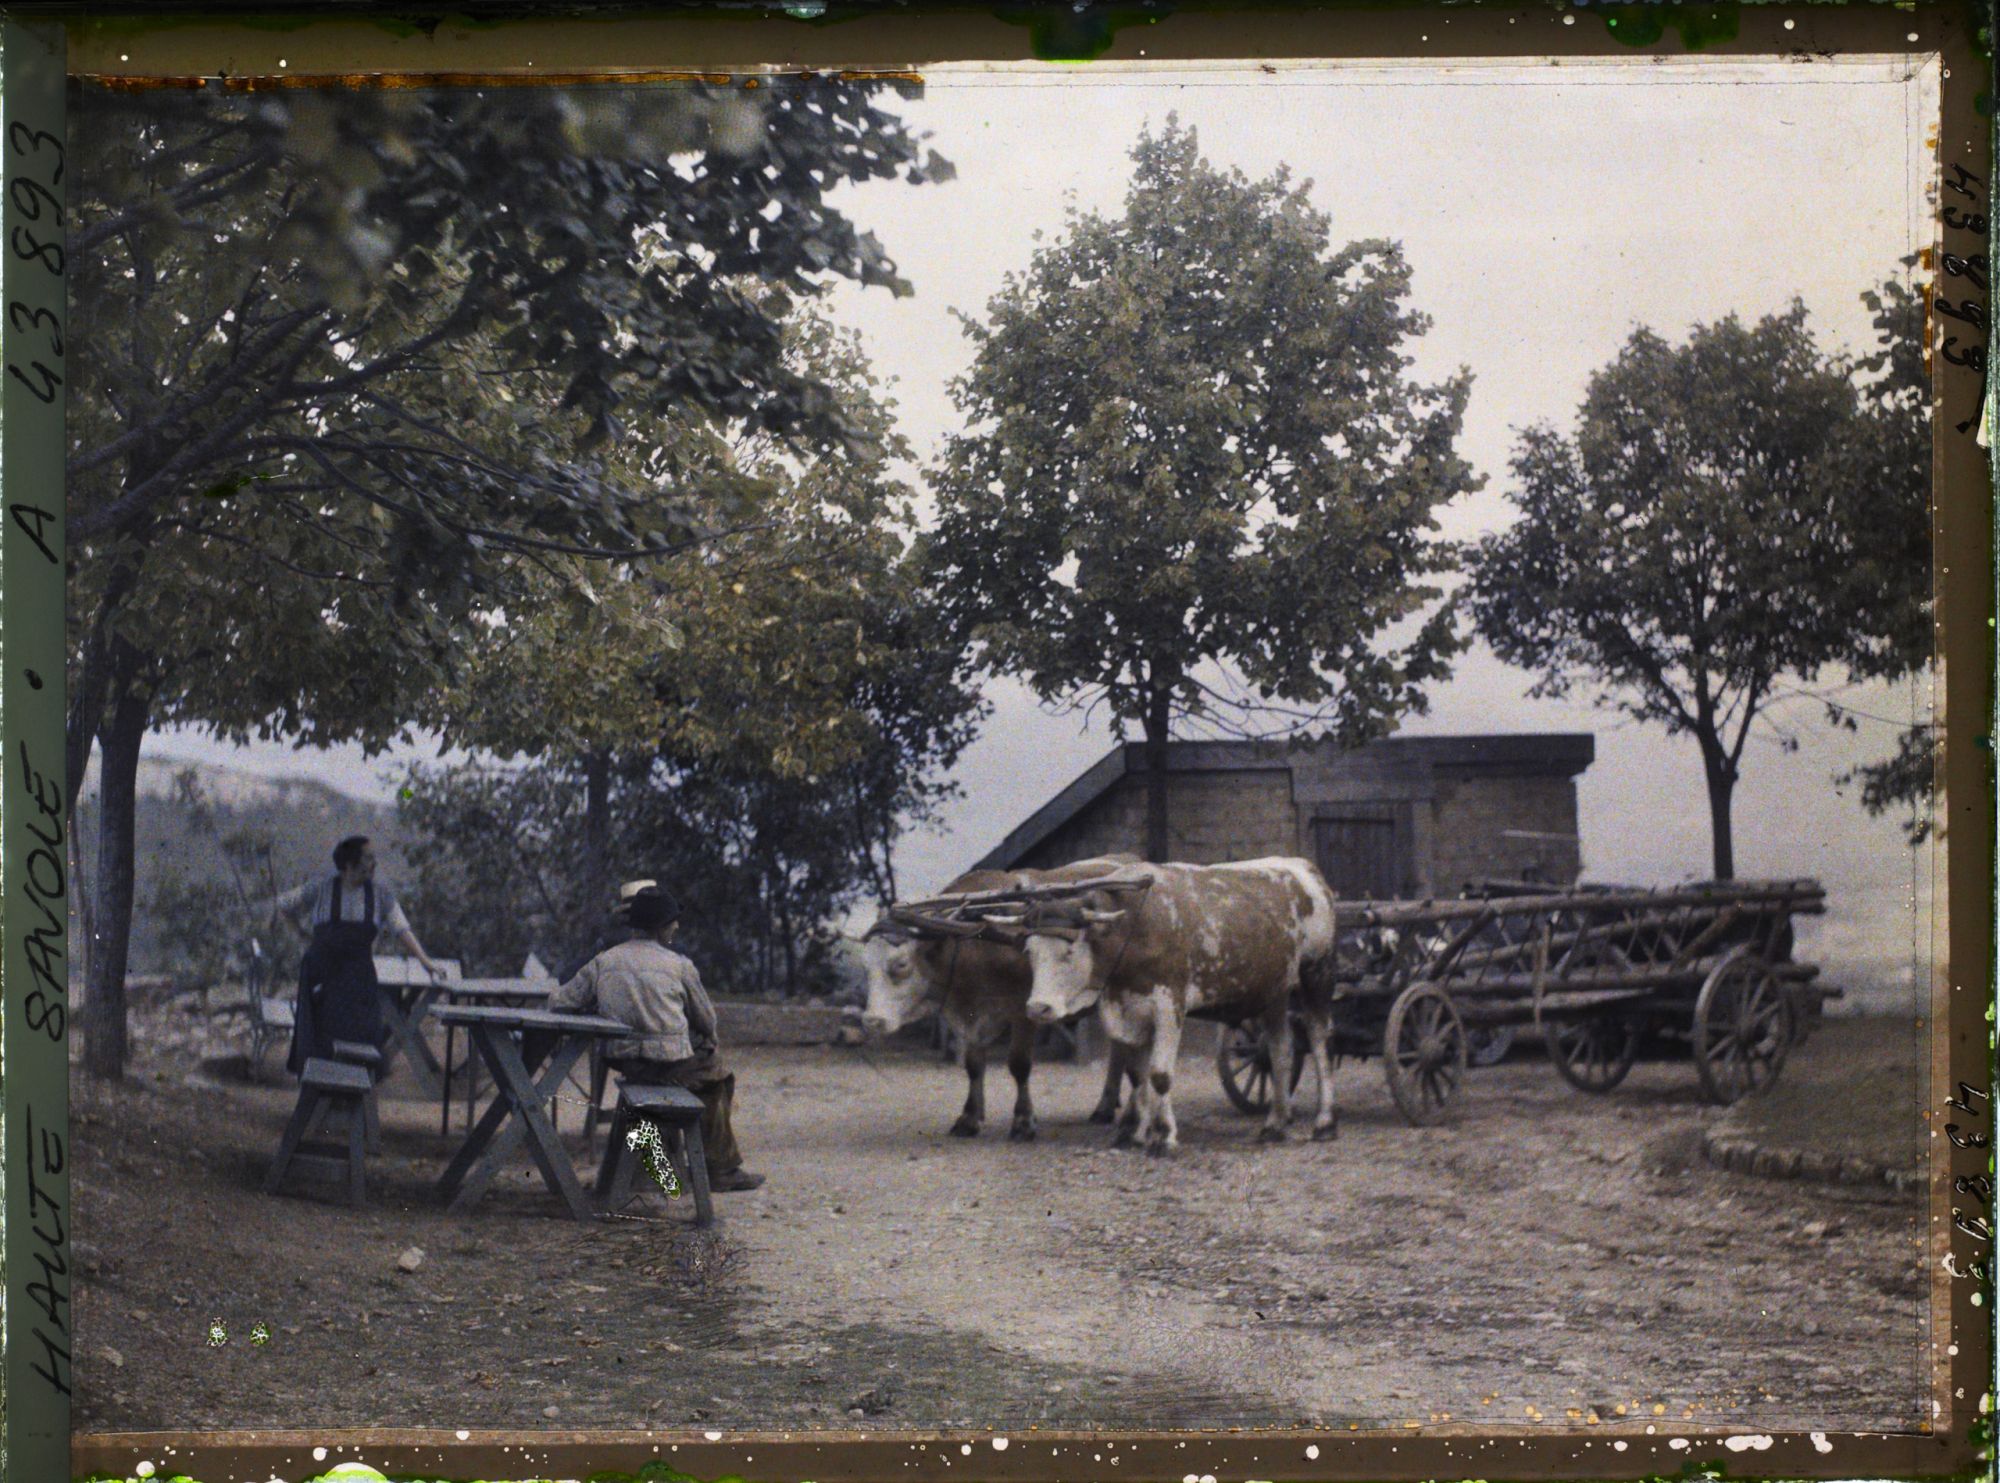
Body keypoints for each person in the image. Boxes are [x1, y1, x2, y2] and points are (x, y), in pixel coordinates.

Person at [551, 879, 764, 1193]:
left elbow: (559, 1002)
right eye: (672, 921)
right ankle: (720, 1169)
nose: (676, 926)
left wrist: (595, 1010)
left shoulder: (604, 961)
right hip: (668, 1064)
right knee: (718, 1077)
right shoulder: (679, 965)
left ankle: (670, 1163)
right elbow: (706, 1019)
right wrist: (707, 1038)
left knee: (700, 1073)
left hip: (623, 1062)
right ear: (663, 927)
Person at [274, 835, 443, 1075]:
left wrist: (426, 962)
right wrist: (302, 936)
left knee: (362, 1035)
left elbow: (401, 928)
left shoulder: (380, 895)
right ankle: (318, 1098)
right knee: (320, 1037)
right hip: (321, 974)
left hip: (358, 977)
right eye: (368, 858)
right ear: (350, 864)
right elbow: (283, 905)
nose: (374, 864)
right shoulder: (320, 888)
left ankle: (353, 1101)